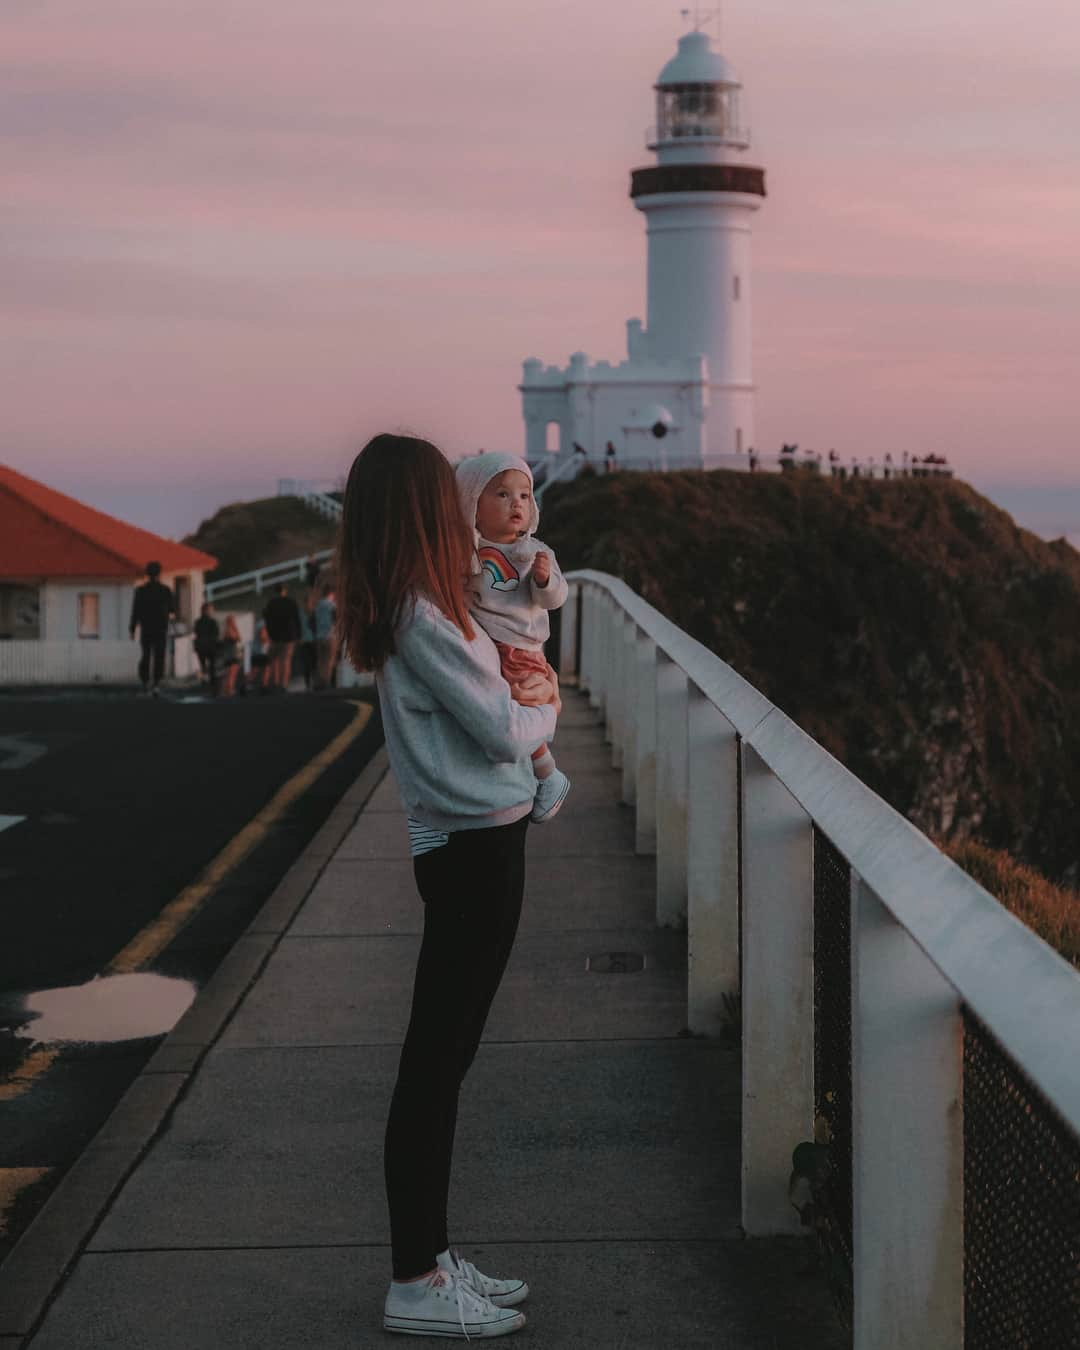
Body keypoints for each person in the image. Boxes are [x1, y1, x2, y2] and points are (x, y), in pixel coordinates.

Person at [337, 433, 558, 1340]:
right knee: (434, 1065)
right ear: (423, 510)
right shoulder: (423, 615)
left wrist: (528, 697)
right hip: (471, 853)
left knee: (446, 1060)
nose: (463, 512)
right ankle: (414, 1278)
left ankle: (430, 1257)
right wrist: (546, 703)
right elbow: (507, 726)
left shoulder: (429, 603)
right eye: (446, 498)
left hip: (480, 845)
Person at [455, 452, 571, 822]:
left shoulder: (534, 552)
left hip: (521, 647)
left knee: (518, 704)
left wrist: (543, 580)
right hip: (482, 643)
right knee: (486, 705)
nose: (516, 504)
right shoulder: (467, 550)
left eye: (524, 495)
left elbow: (555, 598)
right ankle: (516, 770)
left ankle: (548, 774)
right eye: (502, 495)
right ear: (472, 504)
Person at [129, 560, 175, 696]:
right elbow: (172, 609)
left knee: (146, 655)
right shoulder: (166, 591)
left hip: (146, 628)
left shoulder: (141, 591)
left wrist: (132, 629)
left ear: (147, 574)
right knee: (159, 656)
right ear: (159, 574)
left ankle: (145, 683)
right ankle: (156, 684)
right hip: (161, 628)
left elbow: (135, 611)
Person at [262, 582, 302, 692]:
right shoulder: (291, 602)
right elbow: (297, 619)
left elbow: (267, 619)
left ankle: (270, 682)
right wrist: (299, 634)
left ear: (275, 591)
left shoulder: (271, 603)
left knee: (273, 660)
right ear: (285, 590)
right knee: (286, 661)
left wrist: (270, 633)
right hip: (289, 635)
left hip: (275, 635)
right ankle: (283, 684)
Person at [313, 583, 338, 688]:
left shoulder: (318, 605)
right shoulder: (332, 605)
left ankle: (319, 682)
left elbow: (313, 620)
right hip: (330, 635)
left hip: (319, 636)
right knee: (329, 661)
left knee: (320, 661)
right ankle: (326, 682)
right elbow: (336, 619)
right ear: (332, 593)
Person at [193, 602, 220, 689]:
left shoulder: (198, 622)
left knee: (203, 665)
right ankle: (212, 683)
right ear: (206, 611)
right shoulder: (212, 621)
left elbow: (196, 632)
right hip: (211, 646)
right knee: (212, 665)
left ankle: (204, 681)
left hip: (200, 646)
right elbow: (216, 634)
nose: (212, 611)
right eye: (211, 610)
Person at [218, 614, 243, 697]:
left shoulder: (227, 630)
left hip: (229, 655)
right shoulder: (229, 630)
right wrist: (235, 627)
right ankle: (229, 689)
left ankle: (225, 690)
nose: (234, 622)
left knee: (228, 673)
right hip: (231, 655)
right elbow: (238, 638)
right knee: (231, 673)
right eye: (233, 620)